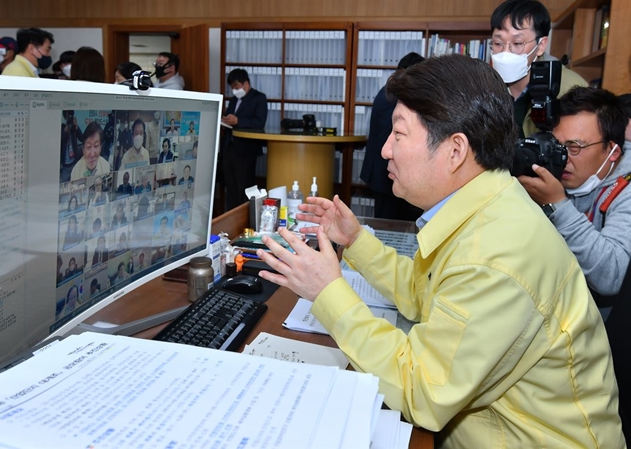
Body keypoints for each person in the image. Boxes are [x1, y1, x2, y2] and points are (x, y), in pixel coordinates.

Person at [255, 54, 624, 447]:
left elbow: (422, 390)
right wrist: (357, 241)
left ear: (455, 150)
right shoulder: (488, 205)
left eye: (398, 135)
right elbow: (424, 296)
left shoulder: (496, 252)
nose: (384, 151)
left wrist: (328, 291)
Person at [518, 87, 631, 440]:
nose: (562, 158)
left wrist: (558, 205)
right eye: (557, 144)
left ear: (612, 150)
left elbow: (612, 273)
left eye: (576, 148)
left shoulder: (626, 191)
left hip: (602, 355)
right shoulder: (556, 177)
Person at [490, 0, 587, 138]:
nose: (506, 52)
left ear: (541, 45)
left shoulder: (570, 89)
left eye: (517, 43)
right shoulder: (485, 86)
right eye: (498, 43)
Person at [361, 52, 424, 221]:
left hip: (383, 171)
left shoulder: (389, 90)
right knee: (387, 224)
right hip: (385, 172)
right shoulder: (397, 97)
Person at [221, 68, 268, 210]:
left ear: (246, 84)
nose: (234, 90)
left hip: (247, 150)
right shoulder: (234, 99)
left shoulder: (259, 98)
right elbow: (229, 117)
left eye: (236, 87)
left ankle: (244, 219)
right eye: (232, 88)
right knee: (230, 186)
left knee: (244, 186)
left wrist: (238, 121)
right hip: (230, 147)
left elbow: (259, 123)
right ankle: (229, 217)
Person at [60, 111, 83, 182]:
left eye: (71, 116)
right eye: (68, 116)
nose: (69, 118)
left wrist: (76, 127)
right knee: (62, 185)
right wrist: (65, 131)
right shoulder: (62, 127)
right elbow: (59, 141)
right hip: (65, 166)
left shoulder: (74, 128)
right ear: (65, 117)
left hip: (74, 163)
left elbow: (82, 138)